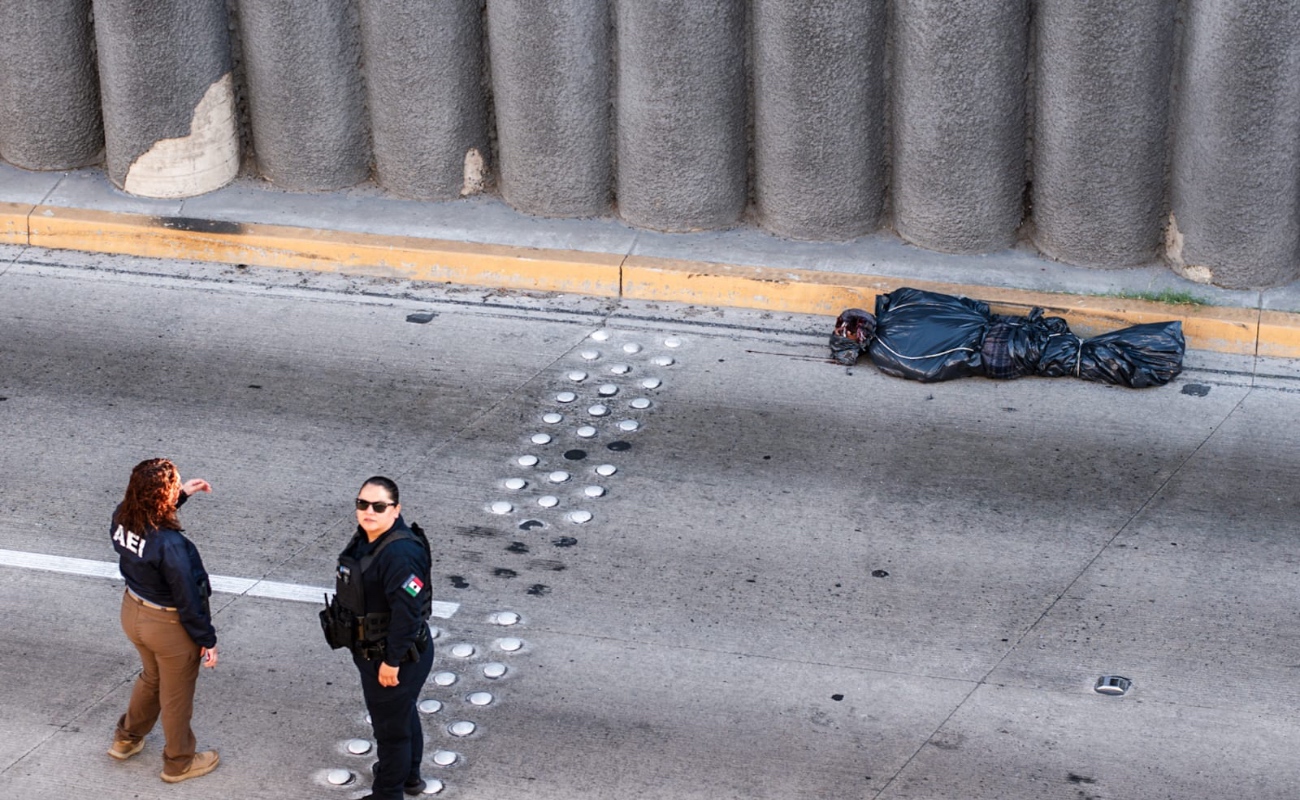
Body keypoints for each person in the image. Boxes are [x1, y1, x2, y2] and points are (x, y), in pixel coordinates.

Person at [107, 458, 220, 783]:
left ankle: (126, 740)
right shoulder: (172, 546)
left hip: (133, 611)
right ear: (161, 496)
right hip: (167, 627)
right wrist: (207, 640)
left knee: (152, 678)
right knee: (176, 696)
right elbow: (189, 598)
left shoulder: (122, 515)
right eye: (174, 486)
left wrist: (181, 494)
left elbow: (148, 527)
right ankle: (179, 762)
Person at [335, 476, 434, 800]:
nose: (368, 511)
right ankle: (410, 777)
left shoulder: (399, 554)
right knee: (402, 714)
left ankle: (388, 793)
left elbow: (408, 613)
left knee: (390, 734)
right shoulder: (370, 538)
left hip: (394, 656)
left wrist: (391, 662)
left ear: (396, 510)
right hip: (380, 651)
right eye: (362, 504)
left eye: (379, 506)